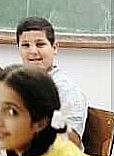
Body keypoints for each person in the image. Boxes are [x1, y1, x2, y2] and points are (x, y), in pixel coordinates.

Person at [16, 16, 88, 147]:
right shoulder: (14, 83)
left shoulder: (66, 90)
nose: (33, 51)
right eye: (25, 45)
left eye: (40, 44)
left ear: (54, 47)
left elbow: (72, 143)